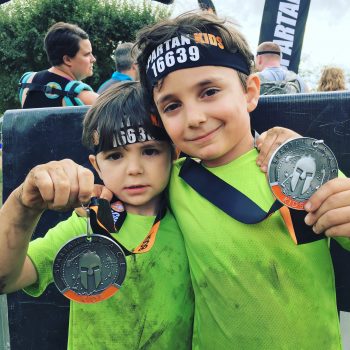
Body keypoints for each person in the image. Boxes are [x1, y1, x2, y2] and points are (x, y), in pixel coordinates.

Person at [135, 12, 350, 348]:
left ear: (250, 92)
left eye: (208, 92)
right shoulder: (170, 184)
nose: (195, 117)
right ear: (158, 119)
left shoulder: (300, 163)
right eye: (172, 105)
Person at [0, 82, 194, 349]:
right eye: (115, 156)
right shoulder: (86, 226)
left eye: (150, 151)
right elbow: (6, 278)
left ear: (174, 153)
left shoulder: (195, 214)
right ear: (96, 165)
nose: (134, 169)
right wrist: (23, 204)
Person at [18, 22, 98, 108]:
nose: (93, 59)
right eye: (86, 54)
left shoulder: (26, 81)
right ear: (67, 59)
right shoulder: (84, 97)